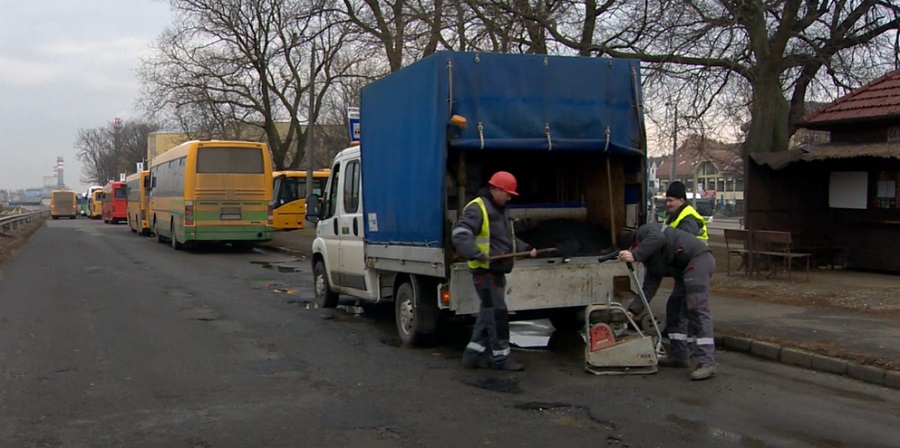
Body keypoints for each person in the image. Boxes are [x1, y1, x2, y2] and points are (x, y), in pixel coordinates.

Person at [452, 171, 537, 371]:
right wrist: (474, 253)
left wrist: (525, 249)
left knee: (487, 314)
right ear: (496, 190)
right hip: (485, 272)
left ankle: (472, 356)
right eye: (507, 193)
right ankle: (501, 359)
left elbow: (505, 240)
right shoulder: (477, 208)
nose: (509, 197)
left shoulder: (500, 209)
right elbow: (460, 233)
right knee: (497, 315)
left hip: (497, 271)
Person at [618, 223, 717, 380]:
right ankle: (681, 356)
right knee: (674, 308)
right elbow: (649, 288)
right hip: (685, 269)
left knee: (697, 308)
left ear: (632, 246)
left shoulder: (646, 231)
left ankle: (706, 363)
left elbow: (658, 237)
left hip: (698, 261)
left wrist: (636, 254)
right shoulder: (652, 260)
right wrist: (632, 311)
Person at [627, 181, 708, 317]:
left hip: (693, 265)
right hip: (686, 265)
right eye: (667, 200)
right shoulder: (672, 217)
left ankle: (689, 335)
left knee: (681, 304)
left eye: (671, 200)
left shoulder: (689, 218)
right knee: (677, 305)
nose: (668, 204)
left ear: (681, 200)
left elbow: (682, 245)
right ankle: (682, 335)